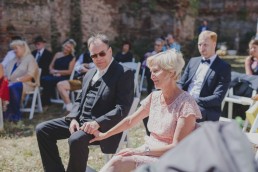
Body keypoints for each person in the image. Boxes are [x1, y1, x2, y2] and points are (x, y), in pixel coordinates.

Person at [90, 49, 202, 172]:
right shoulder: (154, 97)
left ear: (171, 72)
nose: (151, 75)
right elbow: (130, 121)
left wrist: (140, 151)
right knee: (119, 158)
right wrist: (104, 135)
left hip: (170, 159)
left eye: (156, 71)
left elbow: (177, 147)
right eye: (150, 71)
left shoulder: (186, 103)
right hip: (148, 150)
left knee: (118, 161)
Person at [36, 33, 134, 172]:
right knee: (43, 129)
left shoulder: (124, 72)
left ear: (110, 51)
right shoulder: (89, 73)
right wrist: (73, 118)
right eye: (94, 56)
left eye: (102, 54)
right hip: (80, 122)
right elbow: (79, 100)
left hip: (102, 126)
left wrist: (97, 123)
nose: (98, 58)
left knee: (75, 139)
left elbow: (122, 109)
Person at [178, 30, 231, 122]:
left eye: (205, 45)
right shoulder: (193, 61)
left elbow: (217, 98)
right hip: (184, 101)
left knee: (187, 114)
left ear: (214, 45)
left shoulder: (224, 67)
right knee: (155, 107)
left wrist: (194, 101)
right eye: (200, 44)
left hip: (205, 108)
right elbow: (181, 83)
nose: (202, 48)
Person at [4, 40, 39, 121]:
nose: (14, 51)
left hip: (26, 84)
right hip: (12, 83)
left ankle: (16, 114)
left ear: (23, 48)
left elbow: (30, 75)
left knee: (13, 87)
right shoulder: (14, 60)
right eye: (13, 49)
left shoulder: (30, 58)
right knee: (7, 86)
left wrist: (17, 80)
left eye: (16, 48)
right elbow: (6, 73)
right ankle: (6, 113)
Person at [40, 39, 76, 106]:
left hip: (64, 76)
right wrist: (51, 71)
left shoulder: (72, 58)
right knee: (43, 78)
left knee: (48, 80)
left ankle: (45, 101)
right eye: (66, 46)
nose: (66, 48)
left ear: (71, 49)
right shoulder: (57, 54)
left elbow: (69, 71)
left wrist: (58, 72)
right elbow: (51, 66)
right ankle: (46, 99)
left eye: (68, 47)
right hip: (54, 74)